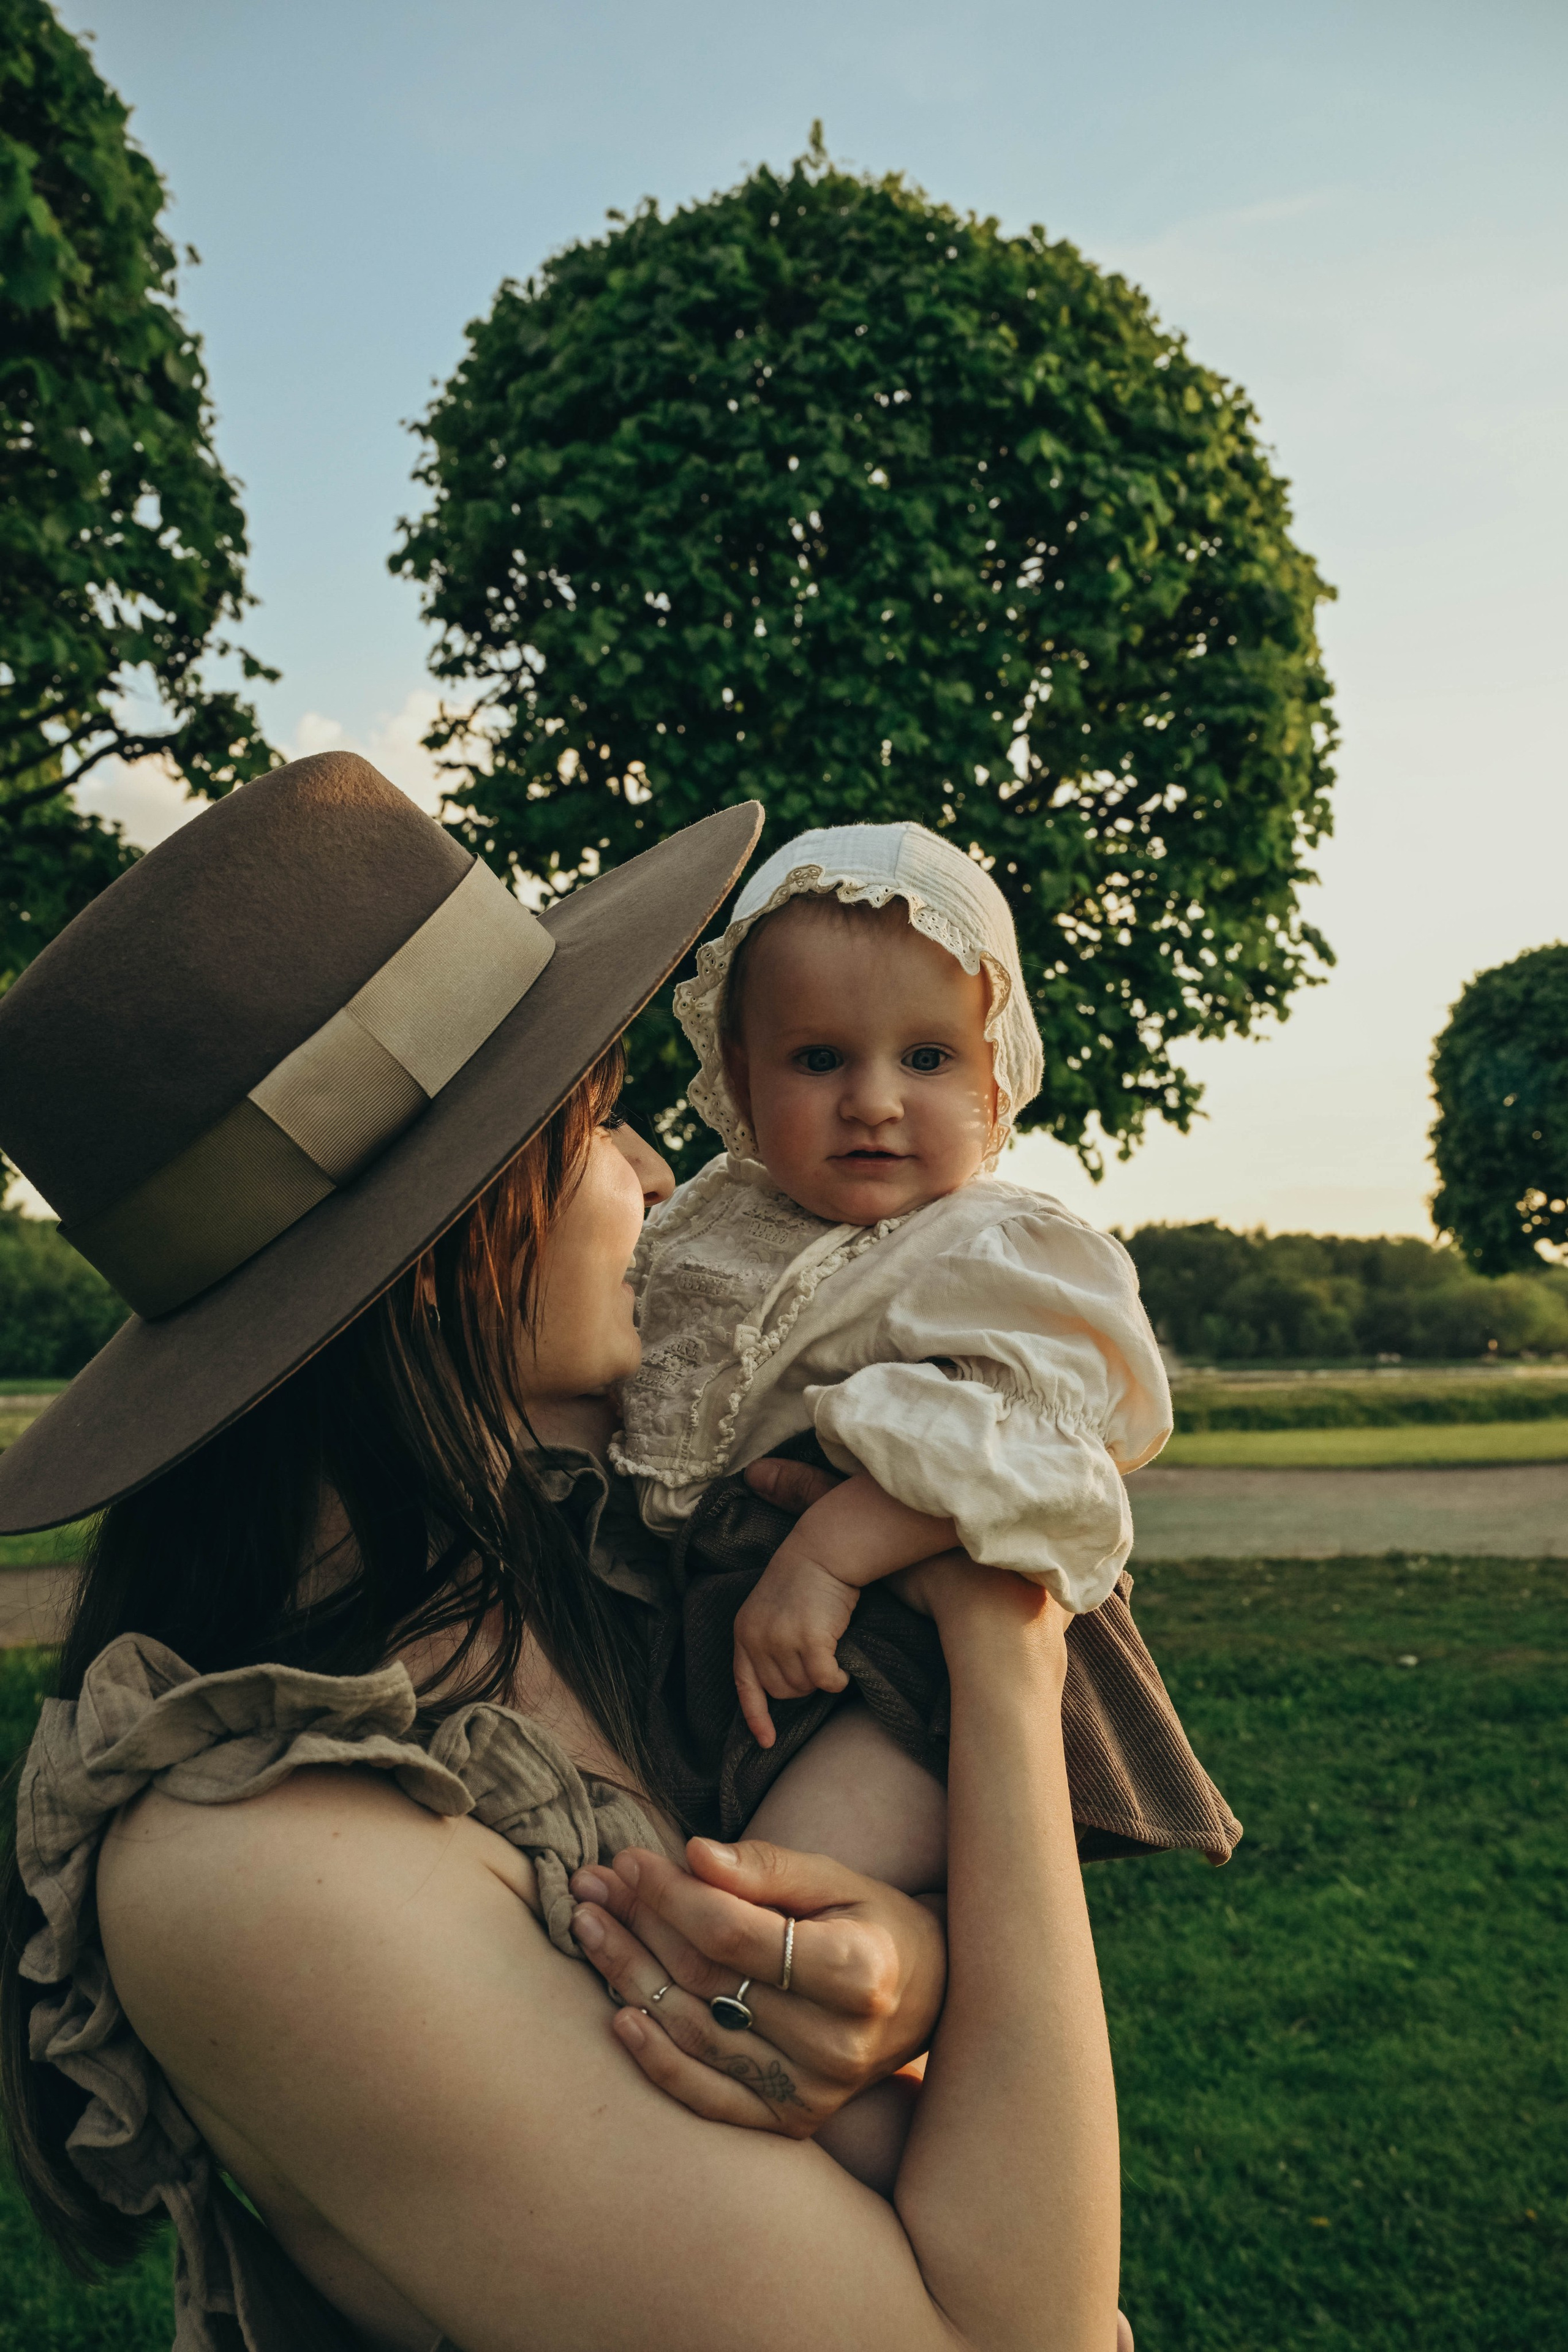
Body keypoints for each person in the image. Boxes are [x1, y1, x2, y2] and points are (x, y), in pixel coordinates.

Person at [0, 755, 1127, 2352]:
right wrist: (1004, 1654)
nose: (663, 1174)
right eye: (598, 1123)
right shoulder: (265, 1864)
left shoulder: (600, 1561)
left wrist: (901, 1976)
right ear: (450, 1252)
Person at [616, 821, 1239, 1890]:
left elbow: (1039, 1462)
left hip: (907, 1655)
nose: (873, 1100)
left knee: (759, 1891)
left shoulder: (987, 1249)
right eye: (818, 1059)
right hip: (719, 1626)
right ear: (739, 1073)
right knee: (658, 1871)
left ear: (997, 1077)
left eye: (927, 1058)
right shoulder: (699, 1225)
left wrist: (826, 1554)